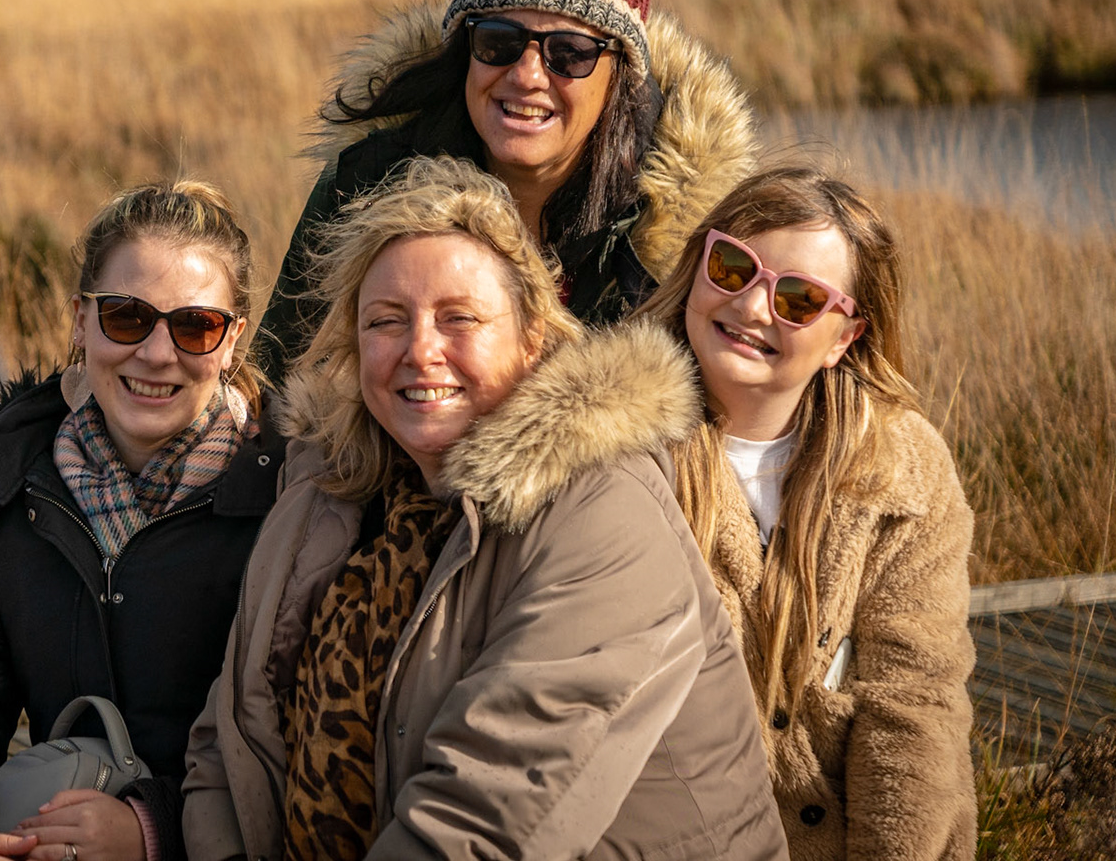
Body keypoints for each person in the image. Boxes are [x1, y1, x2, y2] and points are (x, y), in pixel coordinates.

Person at [182, 156, 787, 860]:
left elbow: (482, 824)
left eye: (460, 318)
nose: (420, 351)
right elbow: (225, 744)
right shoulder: (326, 490)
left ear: (533, 338)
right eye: (386, 321)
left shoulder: (603, 508)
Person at [255, 0, 759, 386]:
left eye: (570, 53)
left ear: (620, 78)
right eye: (498, 41)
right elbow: (274, 387)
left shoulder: (685, 238)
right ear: (464, 50)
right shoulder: (367, 184)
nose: (526, 75)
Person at [0, 181, 284, 861]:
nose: (157, 354)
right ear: (79, 320)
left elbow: (304, 747)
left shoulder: (286, 500)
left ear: (233, 341)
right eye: (126, 317)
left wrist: (151, 831)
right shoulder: (16, 481)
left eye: (194, 325)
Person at [638, 166, 975, 860]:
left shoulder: (903, 471)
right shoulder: (618, 449)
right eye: (733, 267)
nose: (755, 306)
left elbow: (913, 709)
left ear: (845, 337)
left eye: (799, 299)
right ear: (699, 263)